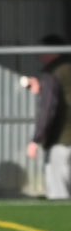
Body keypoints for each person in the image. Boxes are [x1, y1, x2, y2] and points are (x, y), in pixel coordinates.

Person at [27, 35, 71, 199]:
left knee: (58, 190)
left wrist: (36, 139)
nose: (39, 55)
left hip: (62, 138)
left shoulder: (53, 72)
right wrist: (42, 90)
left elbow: (49, 107)